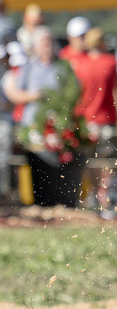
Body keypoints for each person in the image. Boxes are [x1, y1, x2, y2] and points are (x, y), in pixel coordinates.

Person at [70, 28, 117, 212]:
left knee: (90, 161)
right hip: (106, 119)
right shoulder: (110, 63)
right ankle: (106, 196)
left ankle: (93, 198)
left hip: (86, 121)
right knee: (107, 161)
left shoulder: (81, 65)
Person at [4, 28, 60, 133]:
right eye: (44, 43)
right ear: (36, 47)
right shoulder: (28, 68)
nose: (47, 47)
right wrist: (33, 96)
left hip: (56, 124)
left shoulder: (62, 67)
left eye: (50, 42)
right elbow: (14, 94)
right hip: (31, 124)